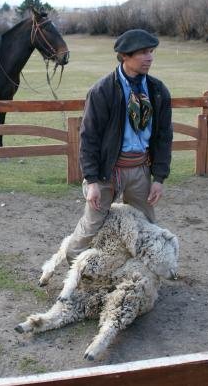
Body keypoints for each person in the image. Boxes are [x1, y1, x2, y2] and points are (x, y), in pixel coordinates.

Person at [66, 29, 173, 262]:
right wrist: (92, 181)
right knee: (91, 226)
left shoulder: (157, 91)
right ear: (125, 55)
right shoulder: (102, 91)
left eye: (151, 52)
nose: (150, 57)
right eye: (143, 53)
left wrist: (159, 178)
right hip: (107, 171)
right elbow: (89, 137)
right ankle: (72, 275)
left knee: (146, 226)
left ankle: (140, 277)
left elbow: (164, 137)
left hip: (140, 169)